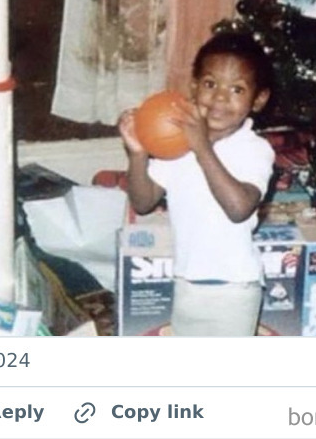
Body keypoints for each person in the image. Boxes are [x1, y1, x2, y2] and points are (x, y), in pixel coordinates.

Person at [118, 30, 275, 337]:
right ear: (193, 87)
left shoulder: (254, 149)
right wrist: (138, 153)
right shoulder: (177, 146)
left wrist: (202, 147)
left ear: (258, 100)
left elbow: (238, 208)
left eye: (237, 89)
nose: (220, 97)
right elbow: (143, 200)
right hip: (186, 282)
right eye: (210, 84)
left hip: (234, 288)